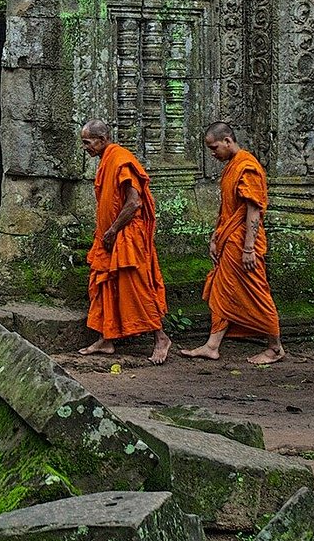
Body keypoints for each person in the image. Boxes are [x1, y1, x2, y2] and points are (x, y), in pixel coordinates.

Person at [181, 122, 285, 365]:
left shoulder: (247, 167)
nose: (213, 153)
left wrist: (249, 248)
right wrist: (215, 237)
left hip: (243, 242)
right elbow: (227, 208)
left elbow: (253, 210)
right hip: (229, 239)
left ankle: (275, 347)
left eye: (214, 147)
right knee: (223, 290)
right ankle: (212, 345)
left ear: (228, 140)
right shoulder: (231, 167)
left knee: (256, 291)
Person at [78, 119, 170, 364]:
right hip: (109, 235)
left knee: (135, 287)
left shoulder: (120, 160)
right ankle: (106, 339)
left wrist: (113, 230)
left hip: (126, 235)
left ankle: (161, 338)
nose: (84, 147)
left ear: (102, 139)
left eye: (87, 142)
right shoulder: (107, 161)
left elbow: (134, 202)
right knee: (103, 286)